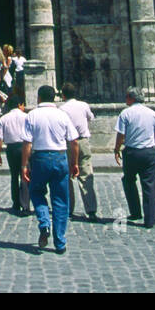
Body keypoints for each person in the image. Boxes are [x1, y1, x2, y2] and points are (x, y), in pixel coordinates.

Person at [21, 85, 80, 255]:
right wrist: (73, 162)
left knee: (36, 191)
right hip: (60, 157)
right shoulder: (62, 115)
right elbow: (74, 141)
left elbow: (27, 142)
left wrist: (24, 165)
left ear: (38, 98)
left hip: (40, 157)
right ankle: (60, 242)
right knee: (61, 200)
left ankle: (44, 222)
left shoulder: (32, 115)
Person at [114, 87, 155, 227]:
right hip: (149, 152)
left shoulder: (125, 113)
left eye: (126, 97)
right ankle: (150, 220)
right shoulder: (152, 113)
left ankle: (135, 212)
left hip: (131, 153)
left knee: (129, 180)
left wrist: (116, 149)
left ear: (131, 98)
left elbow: (121, 134)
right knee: (149, 185)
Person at [59, 83, 98, 220]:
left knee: (67, 176)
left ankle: (69, 208)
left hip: (68, 143)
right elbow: (90, 118)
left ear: (63, 95)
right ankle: (91, 209)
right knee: (86, 175)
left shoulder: (62, 109)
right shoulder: (83, 105)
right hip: (82, 141)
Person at [0, 88, 32, 215]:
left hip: (11, 149)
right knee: (25, 175)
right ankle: (25, 203)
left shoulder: (4, 119)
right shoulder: (26, 117)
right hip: (24, 147)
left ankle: (16, 203)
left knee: (14, 176)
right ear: (19, 105)